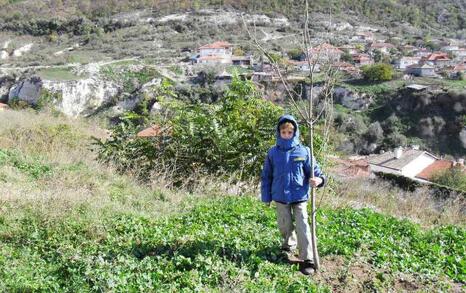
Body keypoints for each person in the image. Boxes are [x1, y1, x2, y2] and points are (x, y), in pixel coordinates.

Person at [261, 114, 326, 275]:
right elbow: (266, 176)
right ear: (279, 133)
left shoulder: (304, 151)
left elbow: (317, 172)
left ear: (295, 132)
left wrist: (319, 180)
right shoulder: (273, 153)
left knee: (303, 224)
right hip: (280, 197)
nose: (287, 135)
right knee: (285, 224)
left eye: (290, 132)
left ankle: (307, 258)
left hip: (299, 197)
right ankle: (288, 246)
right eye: (284, 132)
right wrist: (266, 197)